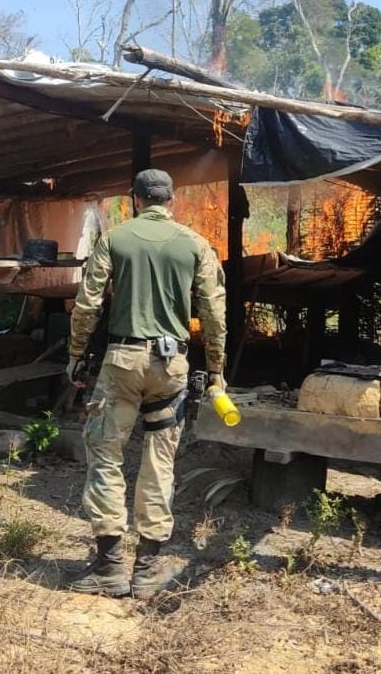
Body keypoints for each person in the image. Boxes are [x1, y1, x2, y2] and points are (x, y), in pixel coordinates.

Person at [66, 168, 227, 598]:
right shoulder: (195, 244)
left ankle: (108, 566)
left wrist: (76, 356)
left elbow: (87, 305)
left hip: (121, 363)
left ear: (135, 199)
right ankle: (149, 569)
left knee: (105, 454)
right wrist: (216, 371)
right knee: (160, 462)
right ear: (169, 200)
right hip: (171, 367)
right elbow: (213, 312)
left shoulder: (114, 239)